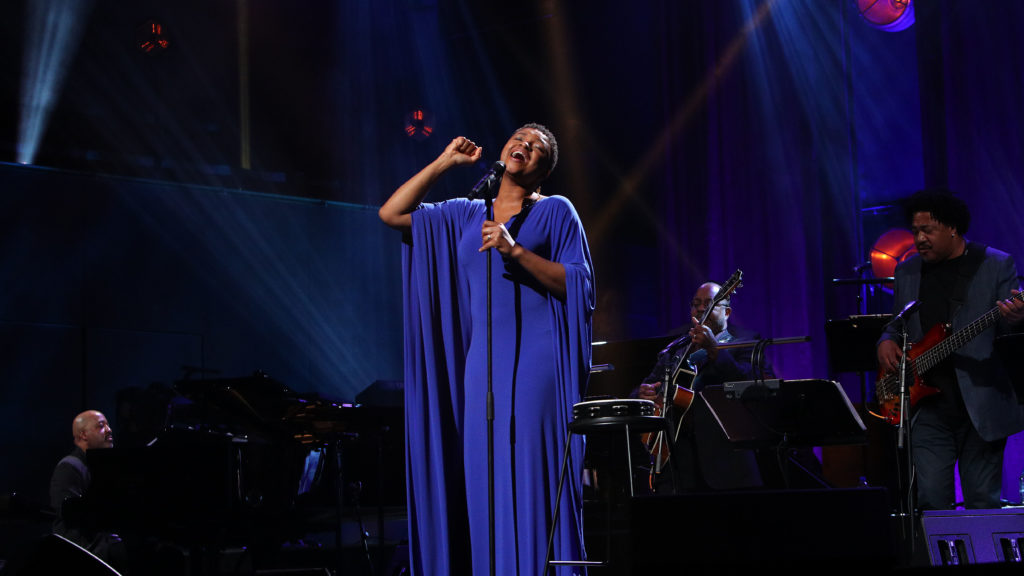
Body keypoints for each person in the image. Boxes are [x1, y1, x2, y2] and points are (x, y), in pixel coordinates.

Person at [379, 124, 595, 575]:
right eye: (519, 138)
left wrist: (515, 251)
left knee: (530, 473)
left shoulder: (556, 211)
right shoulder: (464, 213)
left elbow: (578, 284)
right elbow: (391, 214)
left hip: (538, 362)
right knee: (484, 477)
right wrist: (444, 163)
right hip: (482, 365)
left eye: (536, 148)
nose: (524, 147)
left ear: (544, 169)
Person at [876, 189, 1024, 510]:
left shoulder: (996, 264)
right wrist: (884, 341)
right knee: (931, 500)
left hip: (981, 405)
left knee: (982, 503)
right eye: (915, 231)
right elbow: (896, 324)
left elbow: (1011, 332)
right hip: (927, 408)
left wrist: (1017, 319)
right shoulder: (907, 271)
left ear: (953, 228)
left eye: (927, 230)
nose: (919, 238)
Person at [635, 282, 773, 492]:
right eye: (696, 304)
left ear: (727, 312)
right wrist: (643, 394)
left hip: (727, 467)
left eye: (709, 304)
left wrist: (715, 350)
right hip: (678, 467)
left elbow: (753, 387)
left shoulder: (745, 343)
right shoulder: (677, 349)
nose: (701, 309)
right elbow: (642, 389)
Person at [49, 410, 123, 564]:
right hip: (80, 554)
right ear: (83, 435)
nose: (109, 430)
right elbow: (70, 522)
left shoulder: (102, 467)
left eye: (108, 425)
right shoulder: (69, 467)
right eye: (101, 426)